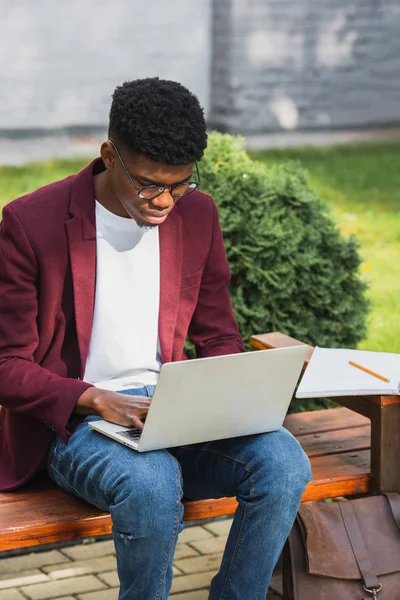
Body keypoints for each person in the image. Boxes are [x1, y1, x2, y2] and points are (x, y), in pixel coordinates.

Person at [0, 78, 311, 599]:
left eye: (179, 183)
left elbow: (217, 336)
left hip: (172, 410)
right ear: (109, 155)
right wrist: (93, 397)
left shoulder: (198, 215)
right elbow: (7, 363)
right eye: (148, 184)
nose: (165, 200)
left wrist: (228, 389)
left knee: (283, 463)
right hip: (76, 422)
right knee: (151, 482)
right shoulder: (32, 223)